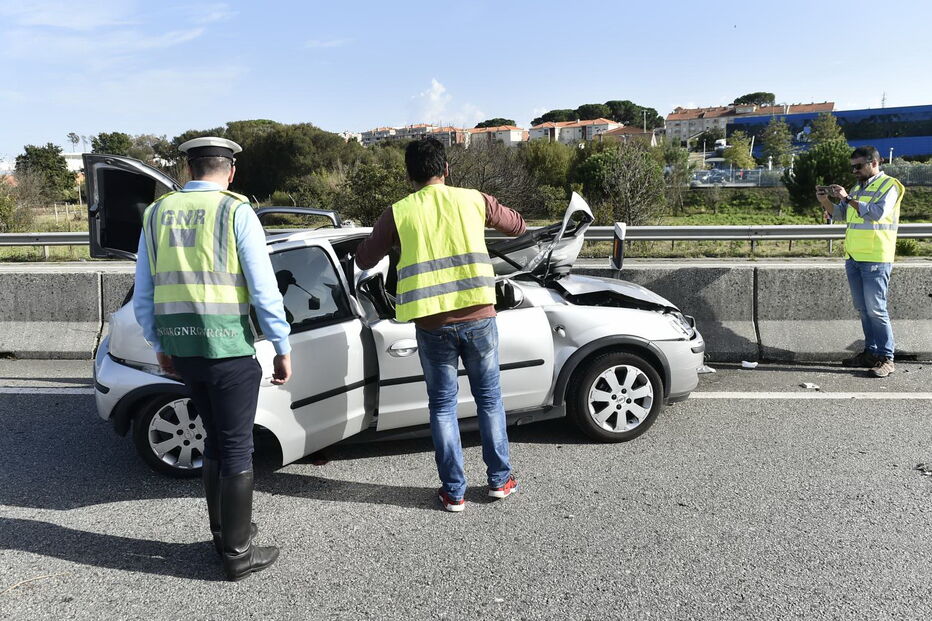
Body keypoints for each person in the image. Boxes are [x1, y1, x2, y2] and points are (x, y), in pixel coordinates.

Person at [133, 137, 292, 580]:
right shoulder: (236, 211)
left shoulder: (156, 213)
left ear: (188, 167)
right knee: (238, 445)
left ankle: (223, 530)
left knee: (216, 441)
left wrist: (160, 345)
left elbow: (144, 294)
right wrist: (282, 346)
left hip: (184, 352)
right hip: (229, 350)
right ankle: (238, 554)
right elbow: (263, 290)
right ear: (231, 171)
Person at [355, 137, 526, 512]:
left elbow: (365, 258)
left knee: (443, 407)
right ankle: (500, 481)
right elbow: (518, 226)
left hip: (432, 324)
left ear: (408, 175)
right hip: (479, 317)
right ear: (446, 169)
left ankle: (454, 492)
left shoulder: (399, 212)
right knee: (489, 400)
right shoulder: (473, 199)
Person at [817, 146, 905, 378]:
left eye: (859, 166)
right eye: (852, 167)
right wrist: (825, 200)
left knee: (876, 310)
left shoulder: (890, 186)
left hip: (876, 257)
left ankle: (887, 358)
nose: (854, 171)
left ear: (874, 162)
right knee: (864, 310)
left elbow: (876, 213)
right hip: (854, 257)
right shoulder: (858, 187)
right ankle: (870, 353)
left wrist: (847, 197)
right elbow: (839, 215)